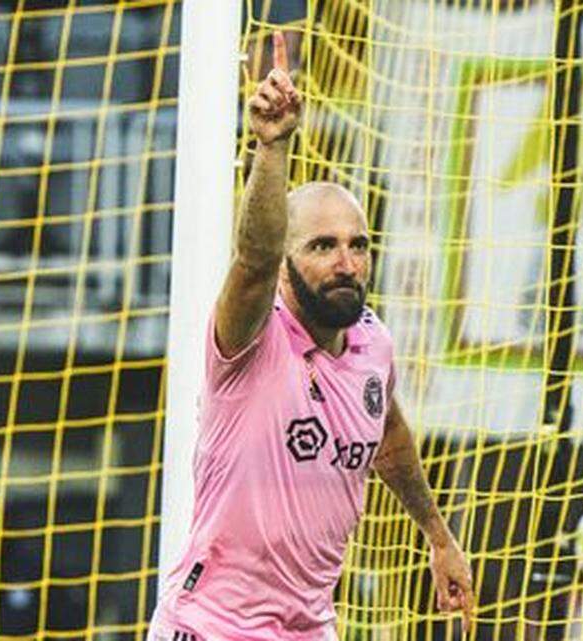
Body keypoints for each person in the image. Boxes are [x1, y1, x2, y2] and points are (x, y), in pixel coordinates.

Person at [149, 32, 474, 640]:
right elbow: (253, 255)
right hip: (212, 627)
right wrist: (273, 149)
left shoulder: (373, 344)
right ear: (288, 262)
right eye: (323, 246)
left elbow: (389, 434)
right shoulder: (250, 337)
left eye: (358, 245)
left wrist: (438, 534)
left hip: (308, 628)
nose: (346, 263)